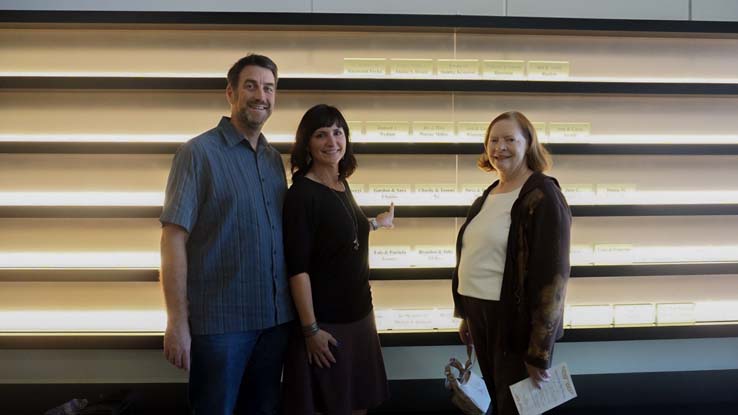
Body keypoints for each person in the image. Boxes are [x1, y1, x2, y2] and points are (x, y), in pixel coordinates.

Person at [159, 54, 294, 415]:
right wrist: (176, 322)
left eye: (269, 88)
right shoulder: (197, 154)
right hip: (221, 327)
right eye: (250, 85)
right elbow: (173, 238)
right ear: (230, 93)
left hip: (276, 322)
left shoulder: (273, 160)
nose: (260, 95)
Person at [452, 111, 572, 415]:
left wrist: (539, 351)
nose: (499, 147)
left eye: (509, 139)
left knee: (517, 407)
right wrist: (466, 314)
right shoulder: (490, 194)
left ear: (528, 143)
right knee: (497, 400)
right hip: (481, 313)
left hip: (514, 322)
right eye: (493, 140)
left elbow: (553, 278)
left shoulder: (543, 195)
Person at [282, 104, 392, 414]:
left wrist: (374, 223)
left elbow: (339, 238)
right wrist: (311, 330)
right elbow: (298, 269)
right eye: (321, 134)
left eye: (337, 132)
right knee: (331, 405)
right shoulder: (301, 195)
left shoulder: (341, 184)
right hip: (327, 323)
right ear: (307, 143)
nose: (332, 141)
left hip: (359, 315)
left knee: (357, 404)